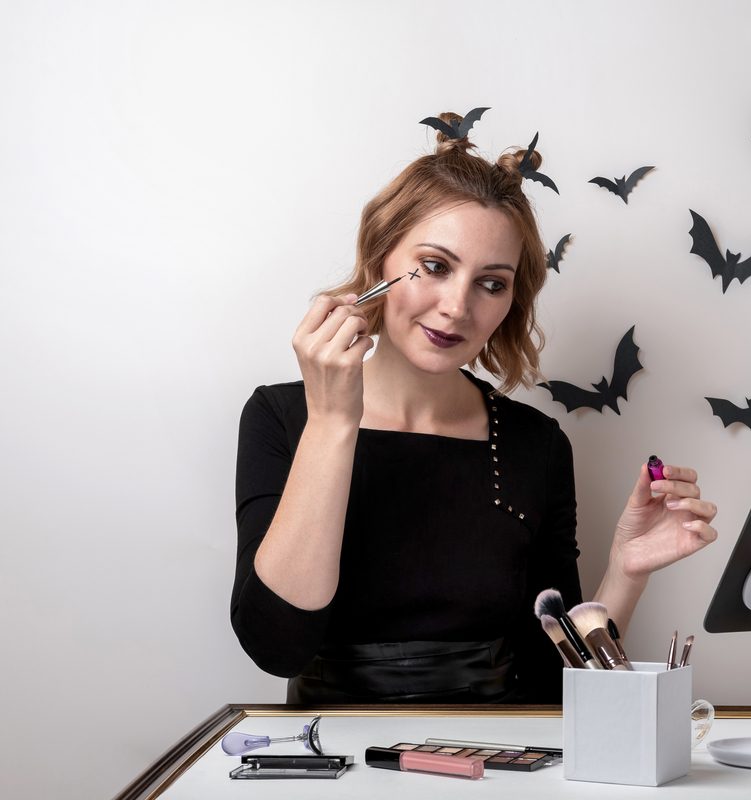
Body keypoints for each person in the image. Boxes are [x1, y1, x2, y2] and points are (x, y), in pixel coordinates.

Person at [231, 114, 719, 704]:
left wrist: (626, 571)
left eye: (491, 283)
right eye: (436, 266)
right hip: (332, 749)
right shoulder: (280, 416)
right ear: (380, 259)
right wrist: (333, 421)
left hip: (496, 750)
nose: (458, 307)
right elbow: (277, 646)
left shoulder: (535, 444)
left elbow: (555, 683)